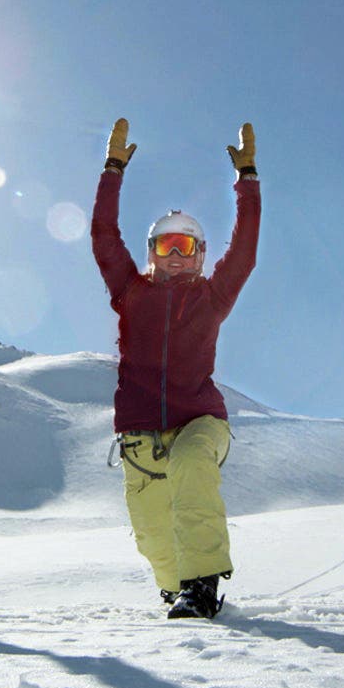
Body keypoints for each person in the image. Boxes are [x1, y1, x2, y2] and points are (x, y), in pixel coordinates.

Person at [91, 118, 260, 619]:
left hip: (201, 423)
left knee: (190, 471)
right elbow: (103, 235)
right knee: (152, 538)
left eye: (187, 247)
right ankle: (176, 589)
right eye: (166, 246)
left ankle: (203, 586)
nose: (176, 257)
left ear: (202, 255)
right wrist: (112, 170)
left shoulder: (213, 296)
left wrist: (247, 182)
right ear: (151, 254)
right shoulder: (130, 293)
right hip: (140, 436)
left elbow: (246, 252)